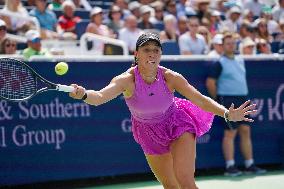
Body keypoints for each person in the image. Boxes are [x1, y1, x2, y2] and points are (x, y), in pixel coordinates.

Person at [69, 32, 257, 188]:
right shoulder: (126, 80)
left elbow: (199, 99)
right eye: (146, 50)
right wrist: (84, 94)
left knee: (185, 181)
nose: (151, 54)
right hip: (147, 132)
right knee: (170, 186)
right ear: (136, 54)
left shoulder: (170, 77)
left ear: (160, 54)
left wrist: (226, 113)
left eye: (156, 50)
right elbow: (100, 97)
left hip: (177, 123)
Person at [206, 32, 266, 177]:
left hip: (243, 99)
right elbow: (210, 83)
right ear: (223, 45)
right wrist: (219, 100)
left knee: (245, 131)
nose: (231, 46)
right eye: (228, 43)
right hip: (228, 101)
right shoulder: (218, 62)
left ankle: (249, 164)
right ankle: (230, 166)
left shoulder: (240, 59)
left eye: (233, 43)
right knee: (230, 133)